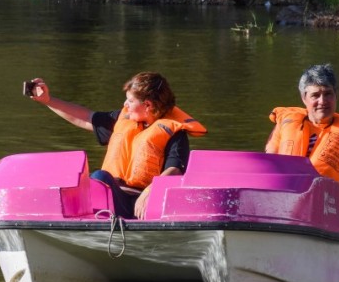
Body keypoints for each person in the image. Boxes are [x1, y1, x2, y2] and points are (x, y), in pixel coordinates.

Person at [26, 72, 207, 220]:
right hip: (114, 198)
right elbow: (86, 118)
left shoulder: (175, 133)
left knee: (99, 177)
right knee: (99, 178)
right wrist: (48, 100)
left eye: (130, 101)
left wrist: (148, 192)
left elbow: (174, 170)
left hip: (143, 204)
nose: (125, 105)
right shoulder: (124, 118)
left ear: (147, 105)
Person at [264, 64, 339, 216]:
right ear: (304, 98)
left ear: (336, 96)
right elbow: (268, 171)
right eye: (315, 95)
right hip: (284, 202)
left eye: (328, 94)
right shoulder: (284, 126)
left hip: (328, 208)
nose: (323, 101)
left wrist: (329, 196)